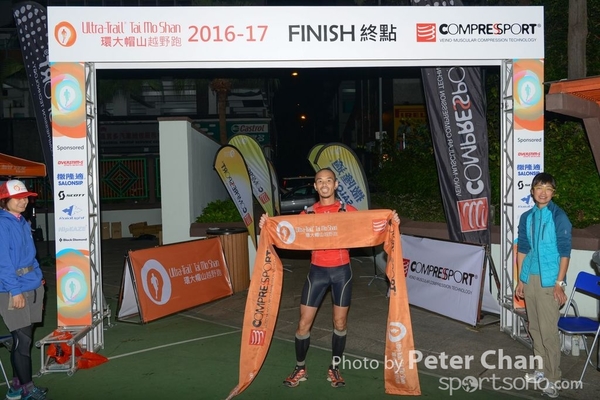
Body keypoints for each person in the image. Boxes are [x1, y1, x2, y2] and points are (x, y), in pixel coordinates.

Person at [259, 168, 400, 388]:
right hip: (317, 273)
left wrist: (391, 221)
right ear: (315, 186)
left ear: (335, 185)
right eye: (320, 181)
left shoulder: (348, 211)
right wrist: (267, 226)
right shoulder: (307, 215)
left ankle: (334, 368)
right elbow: (285, 232)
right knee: (303, 324)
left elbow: (370, 226)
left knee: (340, 323)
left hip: (341, 273)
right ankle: (300, 368)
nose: (324, 184)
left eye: (328, 181)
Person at [515, 172, 572, 399]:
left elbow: (565, 253)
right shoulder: (526, 217)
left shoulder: (559, 217)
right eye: (539, 187)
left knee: (548, 332)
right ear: (532, 191)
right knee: (535, 328)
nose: (543, 192)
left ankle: (553, 378)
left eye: (548, 188)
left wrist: (559, 283)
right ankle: (540, 370)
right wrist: (521, 280)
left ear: (553, 193)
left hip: (550, 283)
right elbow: (523, 249)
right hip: (530, 279)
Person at [0, 180, 48, 400]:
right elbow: (3, 263)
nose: (24, 201)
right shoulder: (3, 224)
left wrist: (38, 279)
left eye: (26, 197)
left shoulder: (21, 221)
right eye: (17, 198)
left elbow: (32, 255)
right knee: (21, 340)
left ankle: (17, 386)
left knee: (23, 339)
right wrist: (15, 291)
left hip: (32, 286)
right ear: (4, 201)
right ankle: (27, 389)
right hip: (14, 290)